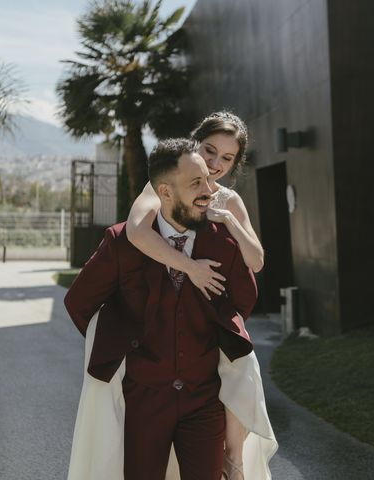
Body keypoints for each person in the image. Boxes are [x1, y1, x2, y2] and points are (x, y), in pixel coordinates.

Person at [65, 138, 276, 480]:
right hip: (143, 400)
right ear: (164, 192)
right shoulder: (122, 243)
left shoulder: (222, 243)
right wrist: (119, 338)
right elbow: (79, 302)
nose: (209, 190)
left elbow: (243, 300)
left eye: (208, 180)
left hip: (203, 400)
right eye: (196, 184)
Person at [126, 111, 274, 480]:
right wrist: (190, 267)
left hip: (216, 310)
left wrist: (231, 221)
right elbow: (135, 232)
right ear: (196, 143)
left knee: (242, 365)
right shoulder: (166, 185)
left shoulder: (230, 200)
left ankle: (234, 458)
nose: (215, 164)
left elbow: (255, 261)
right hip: (169, 311)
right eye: (210, 151)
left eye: (227, 158)